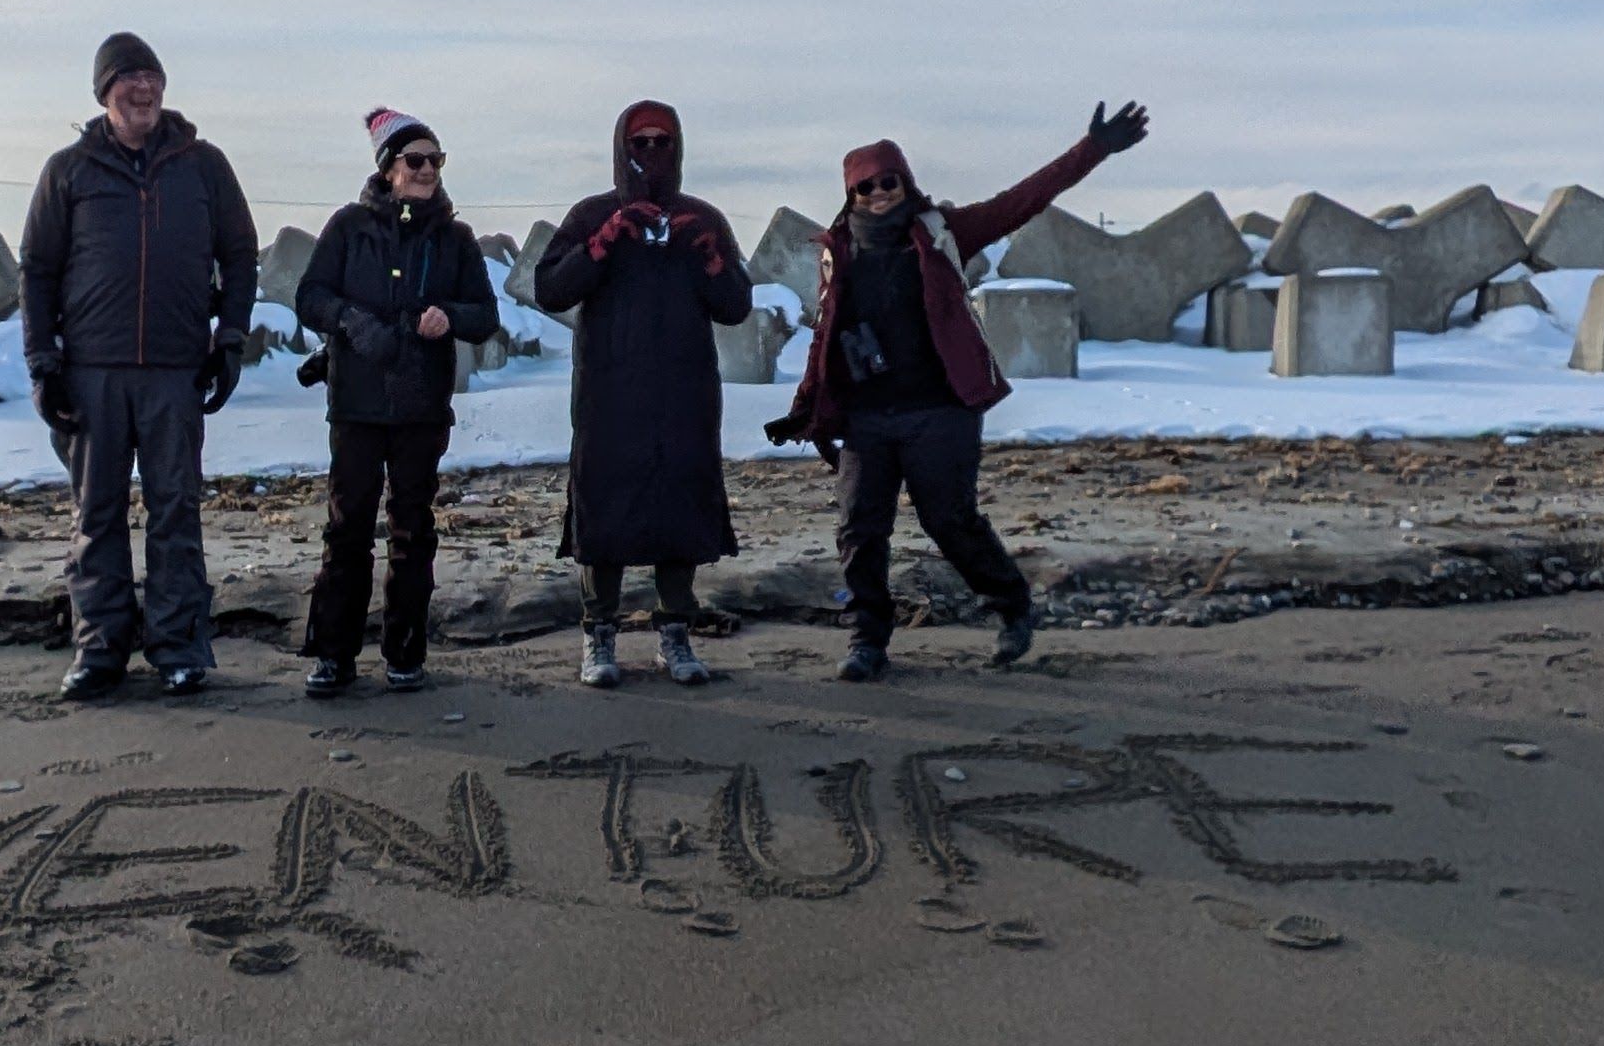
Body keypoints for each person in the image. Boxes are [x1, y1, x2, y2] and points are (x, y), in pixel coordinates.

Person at [767, 101, 1151, 678]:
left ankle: (1012, 606)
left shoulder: (945, 232)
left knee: (949, 519)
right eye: (864, 186)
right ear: (850, 194)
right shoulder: (837, 251)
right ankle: (867, 639)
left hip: (939, 407)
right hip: (868, 415)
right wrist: (808, 406)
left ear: (906, 181)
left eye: (887, 181)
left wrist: (1092, 149)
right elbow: (827, 335)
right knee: (858, 526)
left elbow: (1024, 200)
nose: (878, 193)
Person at [18, 30, 257, 699]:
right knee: (95, 515)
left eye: (152, 76)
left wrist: (229, 339)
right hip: (92, 373)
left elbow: (241, 254)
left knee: (175, 510)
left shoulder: (204, 165)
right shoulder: (69, 170)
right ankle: (99, 652)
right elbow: (36, 270)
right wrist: (43, 364)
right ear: (105, 92)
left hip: (176, 371)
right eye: (129, 78)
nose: (143, 88)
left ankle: (179, 648)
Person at [530, 98, 753, 687]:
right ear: (621, 148)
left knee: (678, 504)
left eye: (662, 141)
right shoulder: (591, 213)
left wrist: (707, 256)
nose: (651, 152)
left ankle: (675, 633)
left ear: (678, 148)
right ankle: (598, 635)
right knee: (604, 507)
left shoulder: (703, 217)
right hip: (609, 392)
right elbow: (550, 289)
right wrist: (604, 241)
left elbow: (736, 307)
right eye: (641, 142)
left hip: (684, 393)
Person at [288, 108, 499, 696]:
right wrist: (353, 322)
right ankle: (333, 655)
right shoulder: (349, 226)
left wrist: (448, 317)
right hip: (355, 404)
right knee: (347, 528)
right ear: (388, 169)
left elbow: (486, 318)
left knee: (413, 530)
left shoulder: (456, 238)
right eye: (416, 159)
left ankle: (405, 654)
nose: (428, 169)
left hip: (422, 407)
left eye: (436, 159)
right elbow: (309, 297)